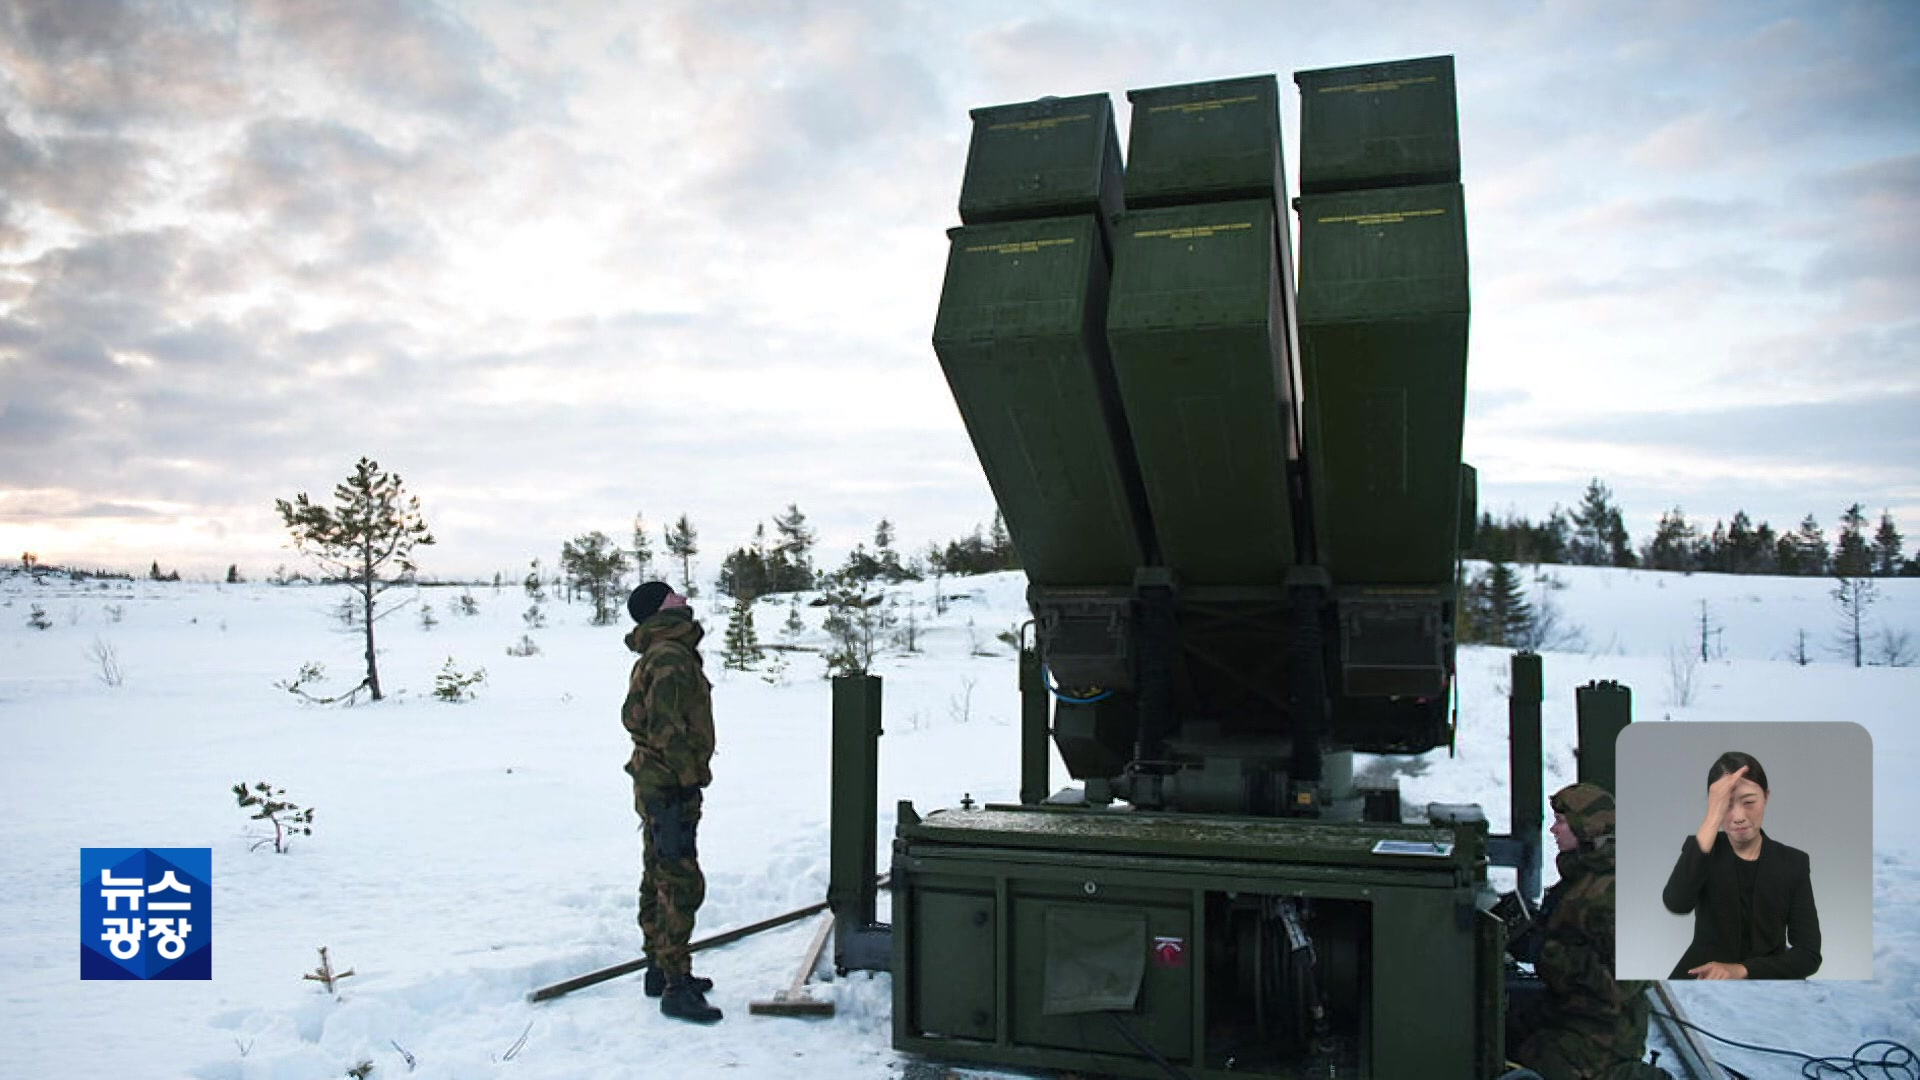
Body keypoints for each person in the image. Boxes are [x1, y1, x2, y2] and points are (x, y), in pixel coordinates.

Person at [1506, 782, 1665, 1080]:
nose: (1554, 830)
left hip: (1602, 1031)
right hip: (1566, 1010)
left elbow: (1622, 984)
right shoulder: (1583, 874)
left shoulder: (1617, 892)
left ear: (1587, 828)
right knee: (1495, 1029)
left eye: (1562, 822)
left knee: (1534, 1063)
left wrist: (1547, 952)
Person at [623, 580, 722, 1023]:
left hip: (656, 782)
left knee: (658, 874)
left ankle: (658, 969)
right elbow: (667, 728)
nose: (683, 598)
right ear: (662, 608)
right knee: (679, 881)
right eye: (673, 595)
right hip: (668, 786)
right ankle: (676, 986)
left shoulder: (666, 651)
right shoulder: (668, 655)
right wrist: (687, 778)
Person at [1662, 752, 1821, 980]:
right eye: (1725, 805)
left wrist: (1741, 970)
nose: (1738, 817)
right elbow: (1676, 903)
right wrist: (1711, 819)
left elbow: (1809, 955)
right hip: (1703, 974)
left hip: (1769, 977)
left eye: (1749, 802)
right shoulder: (1702, 849)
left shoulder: (1793, 862)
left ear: (1766, 797)